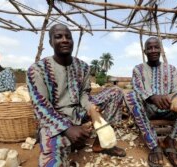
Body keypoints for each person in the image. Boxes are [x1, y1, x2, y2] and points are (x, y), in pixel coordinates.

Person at [26, 23, 126, 167]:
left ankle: (102, 144)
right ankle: (65, 144)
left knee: (116, 92)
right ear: (50, 42)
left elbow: (84, 94)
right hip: (55, 118)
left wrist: (91, 109)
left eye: (68, 37)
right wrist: (67, 128)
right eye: (58, 37)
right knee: (53, 160)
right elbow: (41, 107)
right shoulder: (37, 70)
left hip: (79, 112)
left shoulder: (83, 67)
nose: (65, 40)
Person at [125, 37, 177, 167]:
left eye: (156, 47)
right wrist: (153, 98)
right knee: (130, 96)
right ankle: (154, 145)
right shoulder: (138, 69)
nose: (153, 50)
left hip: (170, 110)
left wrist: (175, 100)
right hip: (148, 111)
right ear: (145, 51)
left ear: (161, 49)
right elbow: (138, 89)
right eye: (150, 48)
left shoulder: (171, 69)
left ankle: (169, 141)